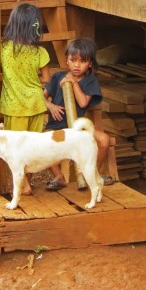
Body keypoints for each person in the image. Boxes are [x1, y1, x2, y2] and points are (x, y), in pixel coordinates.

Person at [43, 37, 114, 189]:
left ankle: (92, 173)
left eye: (83, 61)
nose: (77, 65)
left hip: (78, 129)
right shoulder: (57, 77)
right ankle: (59, 176)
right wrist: (51, 106)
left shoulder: (90, 80)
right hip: (56, 128)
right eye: (73, 60)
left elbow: (83, 102)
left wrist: (73, 83)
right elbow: (41, 98)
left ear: (90, 64)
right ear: (67, 60)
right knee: (43, 144)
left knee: (104, 140)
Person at [0, 3, 51, 196]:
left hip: (14, 107)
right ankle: (27, 183)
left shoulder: (4, 49)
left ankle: (22, 185)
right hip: (37, 104)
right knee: (32, 148)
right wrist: (33, 79)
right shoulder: (40, 52)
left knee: (15, 149)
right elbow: (46, 78)